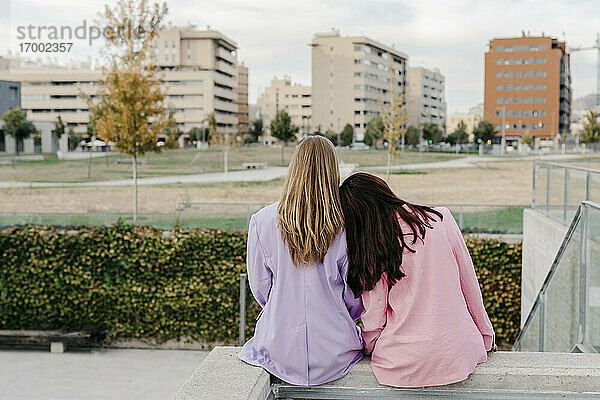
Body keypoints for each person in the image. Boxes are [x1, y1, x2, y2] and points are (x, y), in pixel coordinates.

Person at [339, 172, 495, 388]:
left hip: (403, 361)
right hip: (460, 350)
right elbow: (470, 286)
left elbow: (374, 318)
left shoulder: (372, 247)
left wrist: (369, 347)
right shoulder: (441, 218)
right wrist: (485, 334)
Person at [238, 136, 364, 386]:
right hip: (335, 352)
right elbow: (355, 298)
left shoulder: (263, 221)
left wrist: (285, 303)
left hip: (278, 347)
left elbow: (261, 290)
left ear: (294, 167)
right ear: (333, 170)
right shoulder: (347, 225)